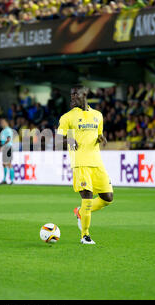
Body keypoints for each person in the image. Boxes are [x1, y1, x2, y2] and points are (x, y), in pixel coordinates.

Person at [57, 85, 114, 245]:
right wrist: (68, 139)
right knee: (87, 198)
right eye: (71, 94)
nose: (72, 97)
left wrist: (101, 138)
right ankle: (85, 235)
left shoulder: (98, 115)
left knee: (107, 198)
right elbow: (57, 137)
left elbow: (99, 134)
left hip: (97, 162)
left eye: (75, 94)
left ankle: (80, 212)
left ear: (85, 94)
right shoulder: (67, 117)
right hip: (80, 163)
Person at [0, 118, 15, 185]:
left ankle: (12, 180)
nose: (1, 124)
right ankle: (4, 179)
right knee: (4, 164)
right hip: (6, 147)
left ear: (6, 122)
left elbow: (8, 139)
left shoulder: (8, 130)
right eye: (1, 122)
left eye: (3, 122)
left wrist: (2, 146)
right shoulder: (4, 130)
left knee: (8, 164)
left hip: (8, 147)